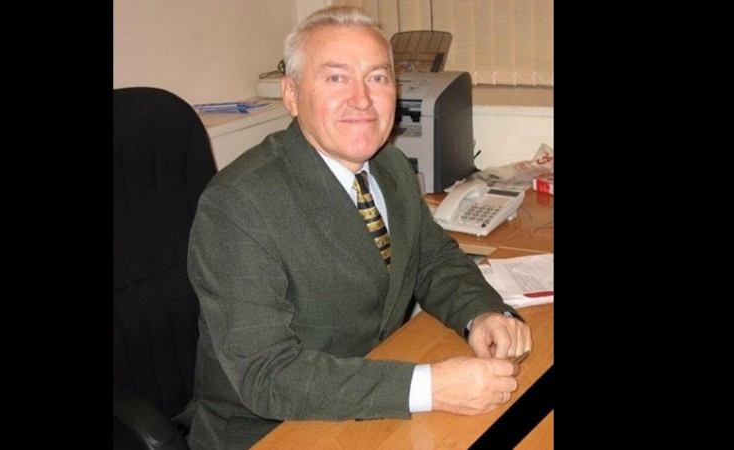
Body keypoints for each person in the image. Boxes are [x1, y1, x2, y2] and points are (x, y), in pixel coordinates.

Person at [175, 6, 532, 449]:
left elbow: (432, 259)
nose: (363, 100)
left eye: (378, 77)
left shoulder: (389, 166)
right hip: (271, 429)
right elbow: (266, 375)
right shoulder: (238, 204)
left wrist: (481, 313)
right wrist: (429, 387)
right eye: (336, 78)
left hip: (366, 397)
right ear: (291, 95)